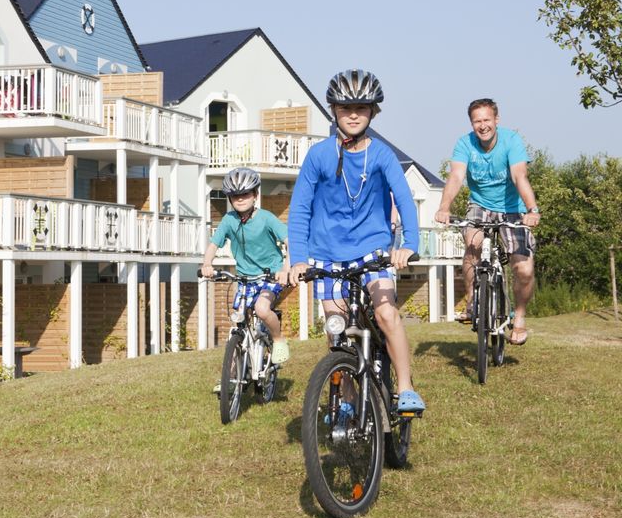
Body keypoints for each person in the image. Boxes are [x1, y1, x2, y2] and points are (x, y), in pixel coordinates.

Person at [286, 69, 425, 413]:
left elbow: (404, 198)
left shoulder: (381, 155)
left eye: (361, 107)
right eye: (345, 107)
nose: (352, 113)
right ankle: (347, 397)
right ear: (332, 109)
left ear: (372, 112)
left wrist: (409, 244)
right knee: (337, 331)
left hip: (372, 250)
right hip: (326, 255)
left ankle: (406, 387)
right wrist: (299, 259)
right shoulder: (318, 155)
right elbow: (300, 208)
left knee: (385, 313)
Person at [434, 98, 540, 345]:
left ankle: (520, 317)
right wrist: (444, 207)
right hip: (480, 205)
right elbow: (456, 176)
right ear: (471, 123)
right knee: (472, 243)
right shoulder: (465, 144)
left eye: (486, 120)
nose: (482, 126)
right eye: (477, 121)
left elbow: (519, 175)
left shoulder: (511, 141)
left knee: (523, 268)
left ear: (496, 120)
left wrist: (532, 209)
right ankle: (472, 300)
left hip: (513, 208)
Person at [201, 167, 291, 365]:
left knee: (261, 309)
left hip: (271, 275)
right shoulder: (229, 220)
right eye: (235, 196)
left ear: (255, 195)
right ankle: (232, 376)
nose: (240, 199)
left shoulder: (266, 218)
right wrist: (207, 264)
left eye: (245, 194)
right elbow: (214, 245)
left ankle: (278, 340)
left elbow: (289, 241)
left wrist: (285, 269)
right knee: (238, 321)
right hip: (245, 277)